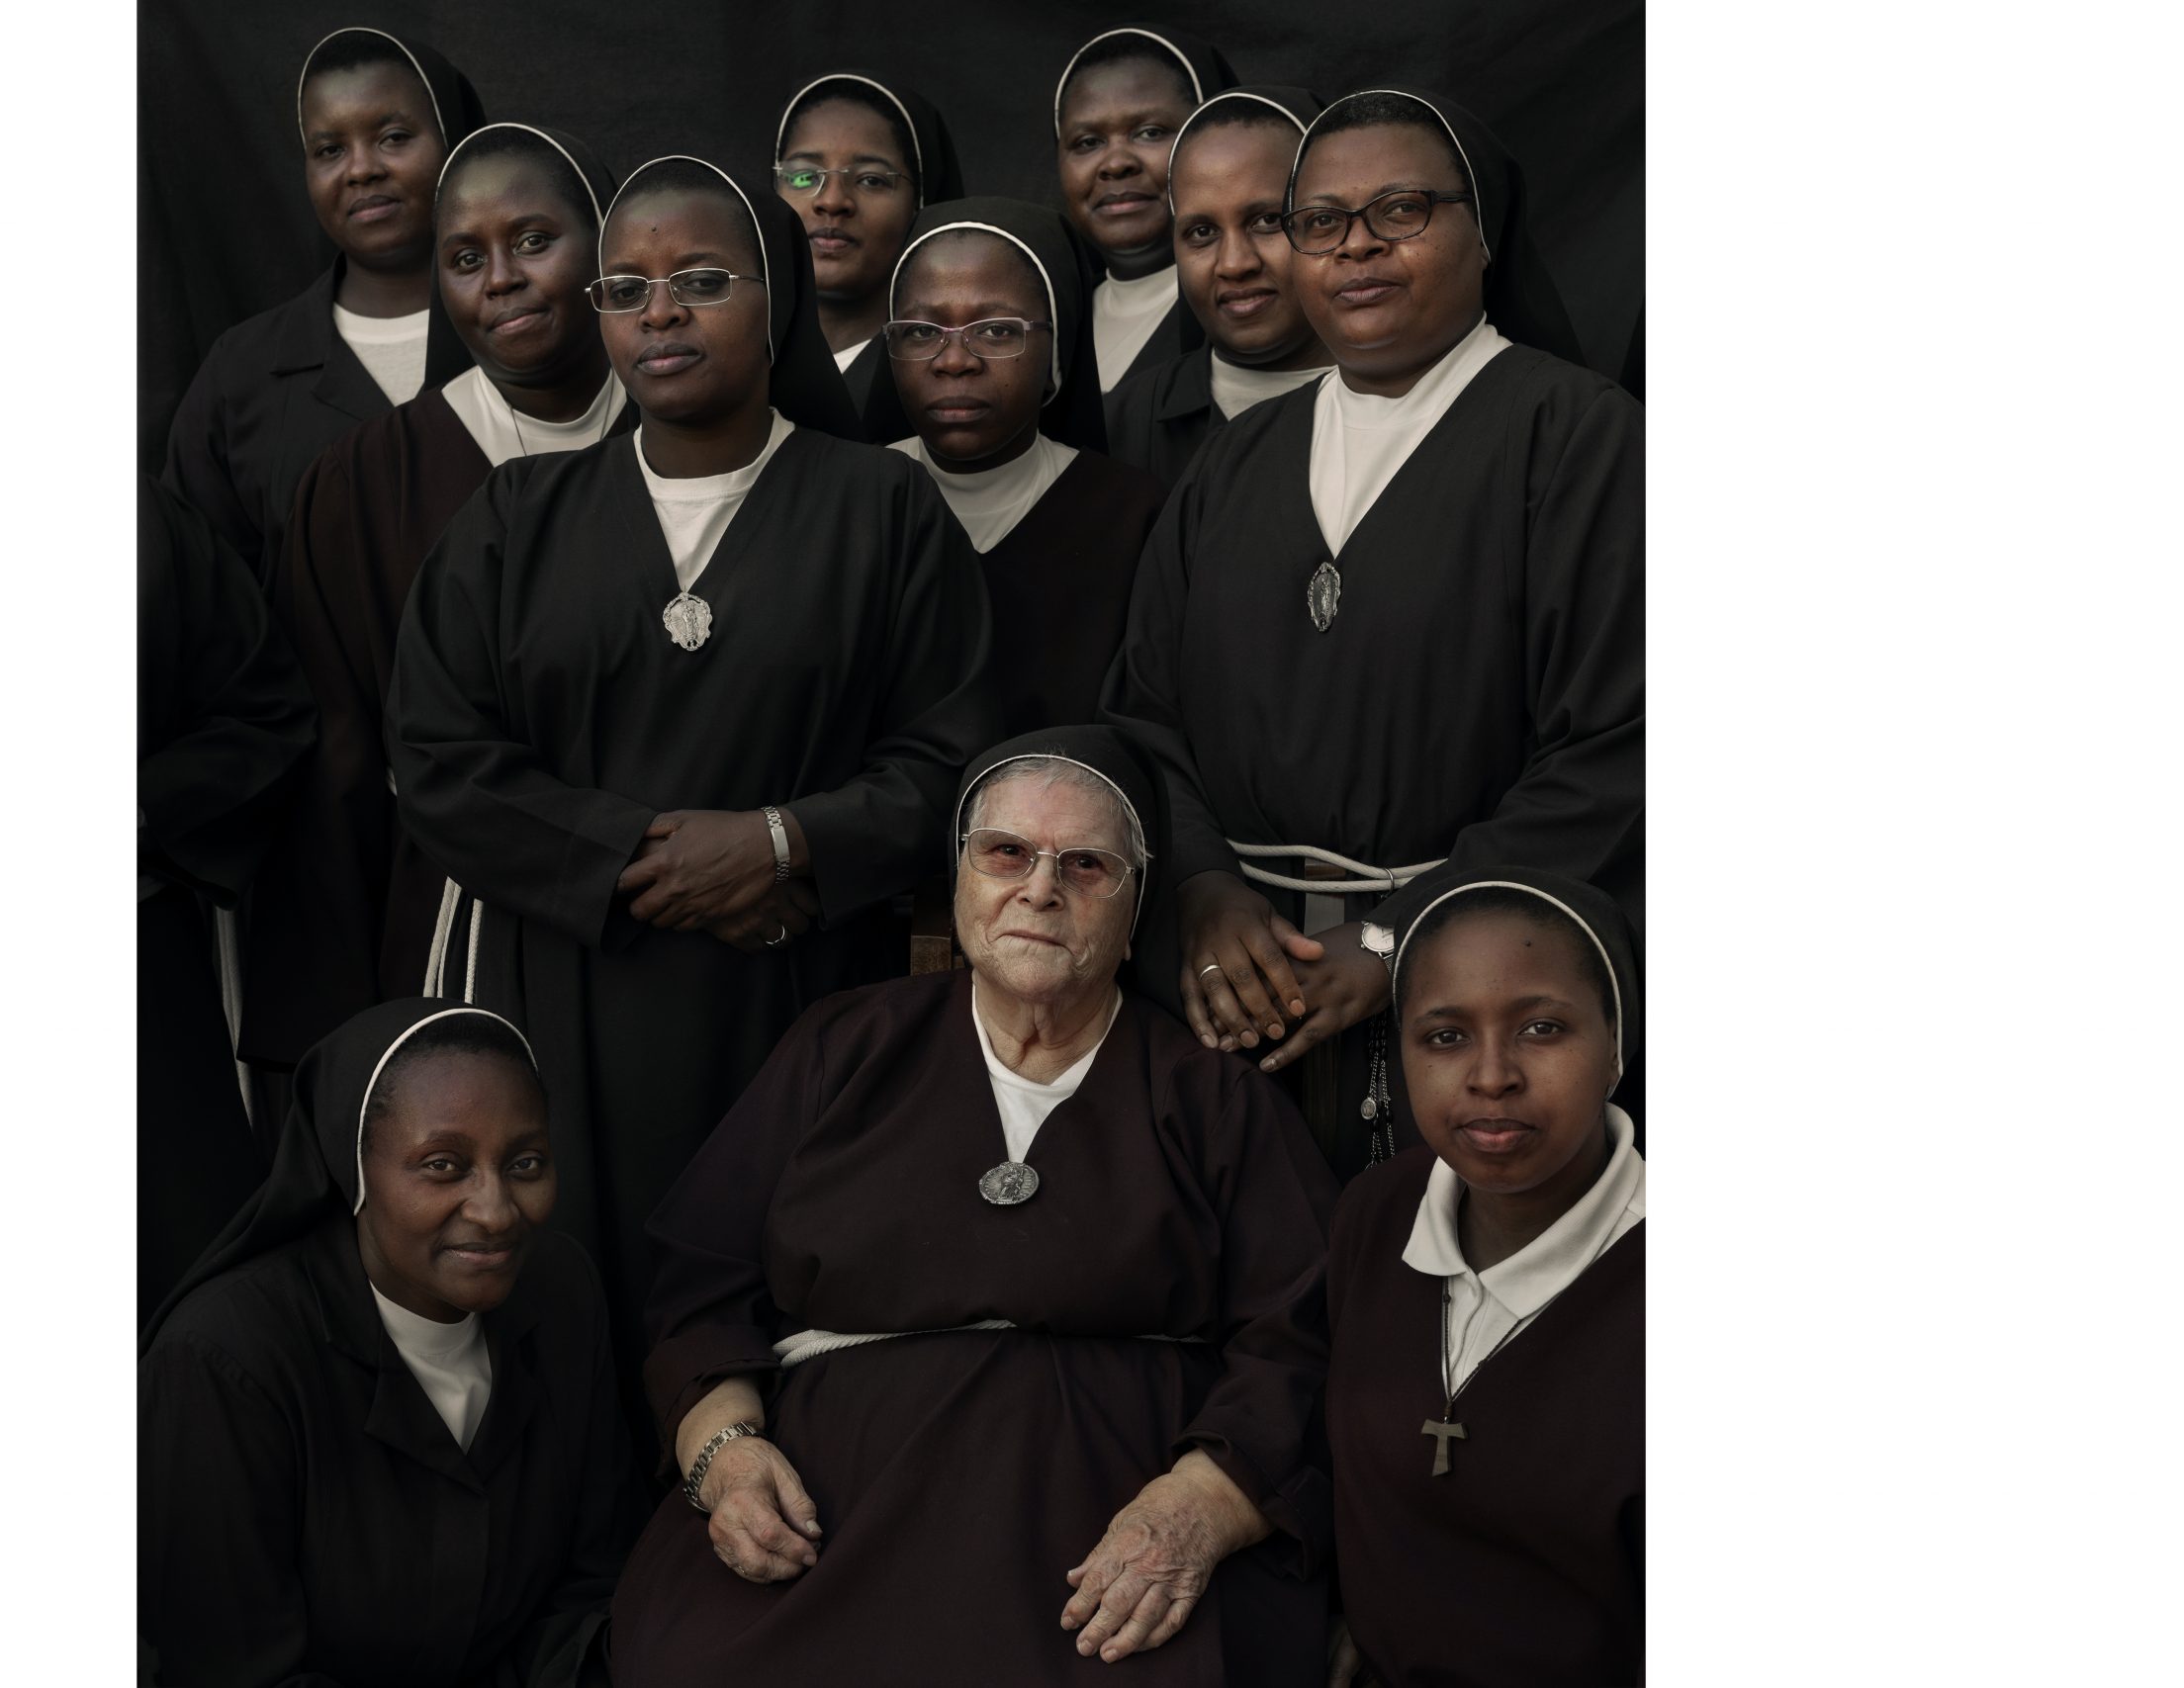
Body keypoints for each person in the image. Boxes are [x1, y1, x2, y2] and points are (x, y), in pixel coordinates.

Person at [383, 155, 999, 1391]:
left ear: (774, 296)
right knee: (571, 1308)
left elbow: (954, 757)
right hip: (562, 987)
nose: (658, 313)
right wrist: (629, 856)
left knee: (774, 1300)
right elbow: (437, 757)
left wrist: (779, 843)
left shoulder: (883, 509)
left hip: (797, 999)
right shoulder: (516, 517)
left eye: (700, 280)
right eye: (625, 287)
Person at [609, 727, 1338, 1687]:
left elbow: (1301, 1336)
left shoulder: (1211, 1095)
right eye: (1006, 854)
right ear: (960, 875)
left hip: (1115, 1541)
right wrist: (729, 1462)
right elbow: (699, 1287)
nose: (1040, 888)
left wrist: (1197, 1512)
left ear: (1134, 906)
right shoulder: (843, 1048)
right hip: (839, 1534)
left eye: (1085, 864)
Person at [1101, 87, 1641, 1181]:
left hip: (1475, 995)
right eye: (1319, 220)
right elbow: (1143, 716)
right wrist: (1203, 893)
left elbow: (1623, 743)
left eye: (1399, 210)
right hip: (1237, 992)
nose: (1354, 246)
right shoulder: (1234, 462)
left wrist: (1400, 936)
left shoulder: (1581, 439)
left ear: (1481, 229)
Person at [239, 123, 629, 1084]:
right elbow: (334, 772)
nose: (499, 279)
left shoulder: (698, 439)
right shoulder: (370, 481)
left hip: (670, 919)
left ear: (611, 249)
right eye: (464, 258)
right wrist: (331, 1030)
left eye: (534, 241)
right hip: (454, 930)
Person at [140, 999, 640, 1687]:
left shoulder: (562, 1294)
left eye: (525, 1162)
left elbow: (594, 1581)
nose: (495, 1210)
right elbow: (233, 1669)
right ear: (353, 1168)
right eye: (443, 1164)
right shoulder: (225, 1363)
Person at [1316, 867, 1643, 1687]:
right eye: (1446, 1035)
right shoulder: (1377, 1215)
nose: (1492, 1075)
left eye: (1541, 1027)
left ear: (1616, 1048)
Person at [160, 27, 486, 580]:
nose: (361, 169)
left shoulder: (532, 331)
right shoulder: (241, 373)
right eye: (330, 150)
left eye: (393, 137)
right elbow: (198, 594)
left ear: (456, 142)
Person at [137, 475, 315, 1323]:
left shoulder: (140, 522)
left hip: (136, 977)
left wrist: (141, 807)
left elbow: (265, 709)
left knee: (180, 1287)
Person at [883, 196, 1164, 730]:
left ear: (1056, 356)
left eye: (997, 330)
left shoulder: (1135, 518)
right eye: (921, 332)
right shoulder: (849, 504)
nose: (955, 361)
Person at [1107, 87, 1333, 490]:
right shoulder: (1118, 427)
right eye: (1202, 232)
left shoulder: (1407, 408)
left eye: (1267, 221)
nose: (1234, 264)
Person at [1049, 27, 1235, 415]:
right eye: (1087, 142)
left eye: (1150, 132)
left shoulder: (1248, 307)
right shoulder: (1047, 323)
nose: (1116, 163)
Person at [772, 71, 964, 441]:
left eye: (872, 179)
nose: (831, 201)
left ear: (922, 203)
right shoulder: (737, 364)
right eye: (802, 177)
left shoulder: (951, 373)